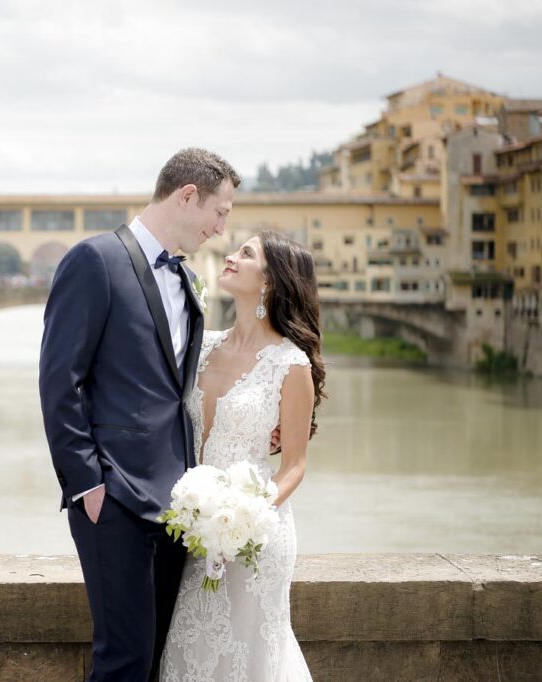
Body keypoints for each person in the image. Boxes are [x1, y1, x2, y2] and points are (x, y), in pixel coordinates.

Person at [40, 148, 243, 681]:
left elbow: (179, 382)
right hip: (114, 498)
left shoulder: (184, 279)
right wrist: (87, 484)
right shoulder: (95, 260)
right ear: (188, 195)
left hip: (177, 503)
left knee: (156, 660)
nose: (221, 229)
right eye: (219, 213)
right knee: (124, 660)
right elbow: (60, 380)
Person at [159, 230, 327, 681]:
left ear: (270, 281)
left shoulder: (290, 365)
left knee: (250, 656)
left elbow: (294, 465)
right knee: (191, 646)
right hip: (196, 527)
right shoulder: (202, 347)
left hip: (255, 535)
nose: (229, 257)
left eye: (245, 253)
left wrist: (249, 514)